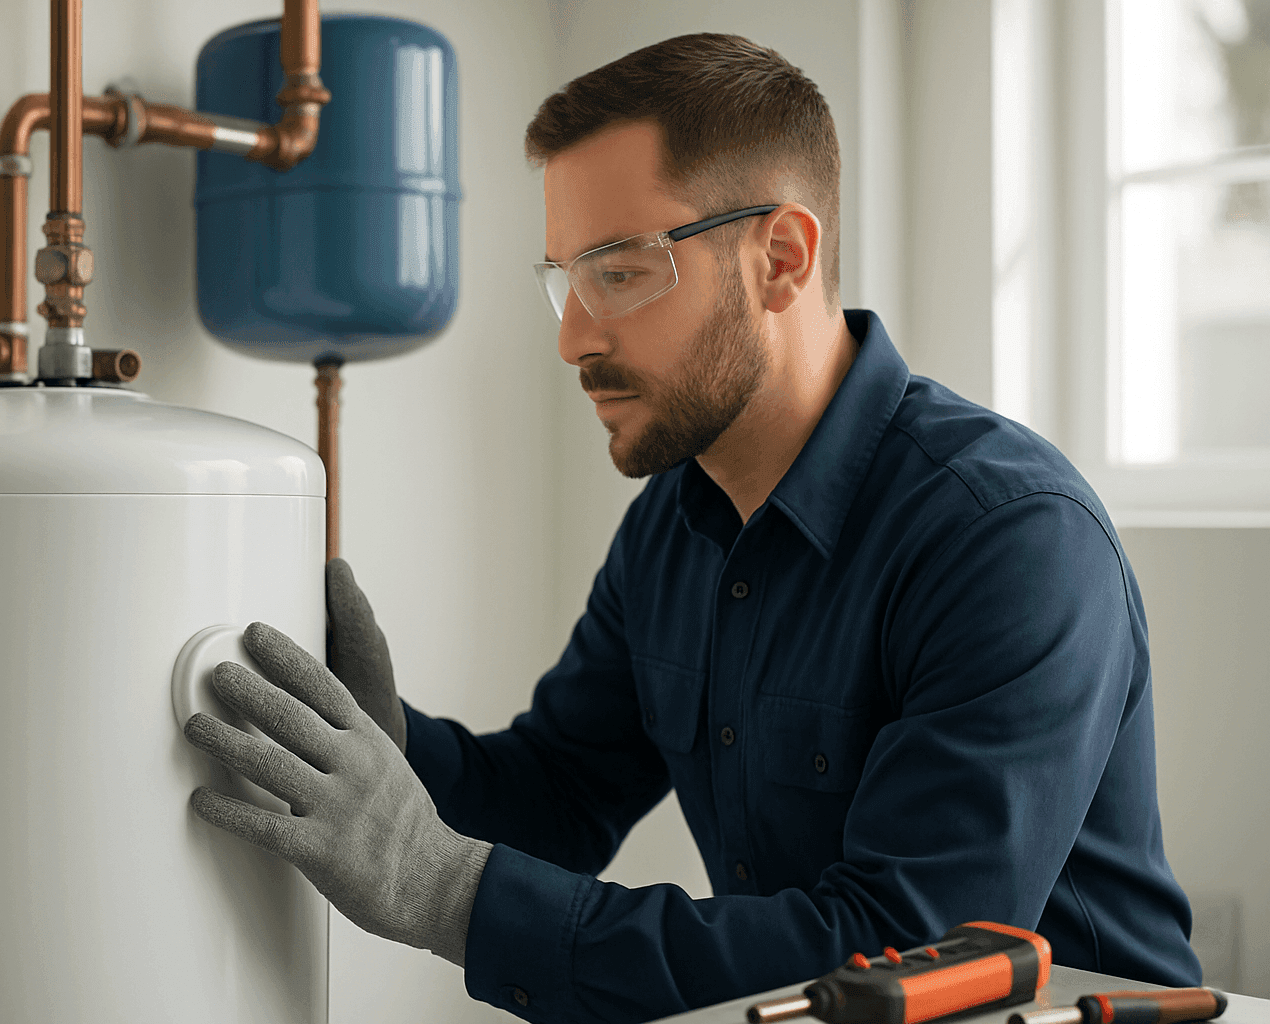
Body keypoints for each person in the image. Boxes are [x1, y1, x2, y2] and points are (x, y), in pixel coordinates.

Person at [181, 34, 1202, 1022]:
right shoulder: (674, 526)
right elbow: (561, 792)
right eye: (564, 279)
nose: (576, 335)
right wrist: (390, 748)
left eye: (620, 269)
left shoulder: (1009, 539)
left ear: (782, 260)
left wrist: (445, 889)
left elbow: (896, 957)